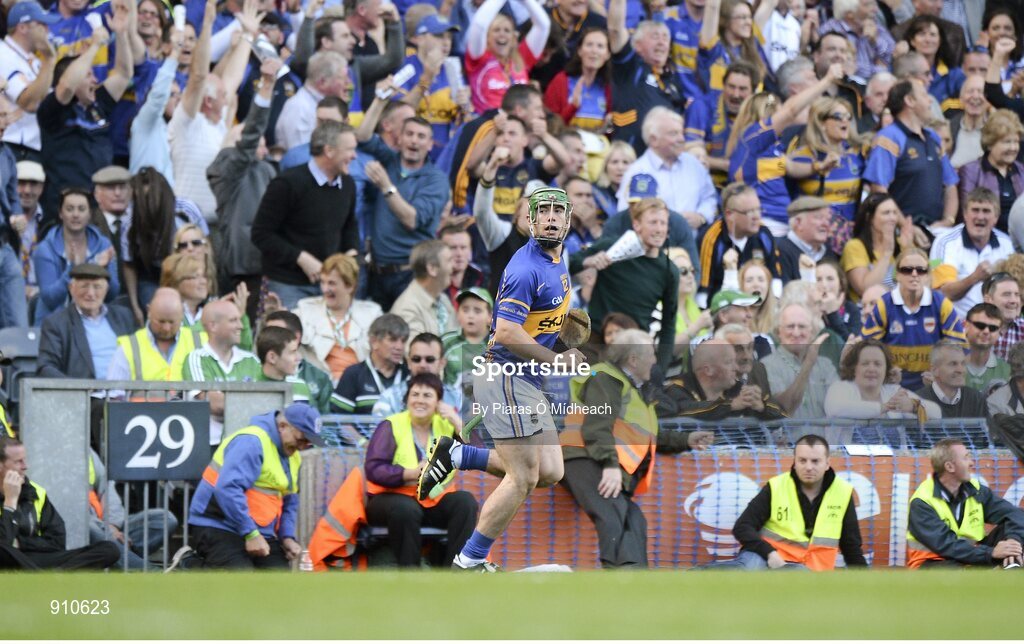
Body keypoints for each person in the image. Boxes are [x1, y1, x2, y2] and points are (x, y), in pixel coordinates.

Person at [417, 187, 581, 571]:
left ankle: (456, 454)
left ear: (569, 220)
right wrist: (556, 360)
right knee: (523, 476)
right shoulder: (527, 268)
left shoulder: (557, 261)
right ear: (530, 219)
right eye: (545, 212)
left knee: (551, 472)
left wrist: (561, 331)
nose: (552, 218)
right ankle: (468, 561)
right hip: (506, 376)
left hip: (526, 379)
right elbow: (506, 332)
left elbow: (537, 320)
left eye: (559, 211)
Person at [560, 330, 713, 568]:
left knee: (634, 520)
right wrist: (609, 465)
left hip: (596, 458)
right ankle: (616, 580)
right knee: (613, 517)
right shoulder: (605, 378)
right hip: (584, 457)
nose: (655, 360)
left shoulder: (630, 390)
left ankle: (635, 577)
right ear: (633, 359)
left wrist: (686, 439)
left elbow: (646, 434)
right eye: (651, 353)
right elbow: (596, 428)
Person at [186, 403, 324, 569]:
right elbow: (228, 489)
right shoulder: (251, 442)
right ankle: (188, 567)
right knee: (240, 581)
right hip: (218, 525)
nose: (302, 447)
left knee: (280, 586)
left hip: (257, 531)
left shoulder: (294, 456)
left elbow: (289, 500)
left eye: (308, 443)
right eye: (301, 440)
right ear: (282, 426)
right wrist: (250, 533)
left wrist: (286, 536)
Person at [364, 373, 476, 567]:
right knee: (405, 509)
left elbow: (479, 453)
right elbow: (373, 469)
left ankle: (458, 572)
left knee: (465, 502)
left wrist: (457, 422)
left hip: (432, 499)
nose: (420, 400)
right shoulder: (391, 424)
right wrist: (410, 473)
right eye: (415, 394)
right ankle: (411, 574)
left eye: (427, 395)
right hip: (390, 498)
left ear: (438, 402)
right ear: (407, 399)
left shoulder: (447, 426)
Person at [357, 86, 450, 309]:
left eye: (421, 137)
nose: (414, 141)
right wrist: (380, 100)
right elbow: (362, 136)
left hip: (410, 274)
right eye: (409, 134)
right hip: (377, 272)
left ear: (430, 145)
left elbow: (411, 219)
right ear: (399, 139)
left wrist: (386, 186)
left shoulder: (435, 180)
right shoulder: (389, 159)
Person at [37, 3, 132, 221]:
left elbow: (124, 75)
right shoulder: (52, 110)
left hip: (98, 211)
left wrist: (121, 33)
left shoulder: (98, 104)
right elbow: (67, 86)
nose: (96, 80)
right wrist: (94, 46)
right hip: (62, 211)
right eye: (89, 75)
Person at [251, 121, 360, 310]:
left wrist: (351, 254)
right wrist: (301, 258)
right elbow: (261, 234)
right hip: (288, 284)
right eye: (349, 150)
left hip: (331, 286)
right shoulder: (288, 183)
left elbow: (348, 226)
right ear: (329, 151)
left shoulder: (348, 184)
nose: (354, 156)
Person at [727, 62, 846, 234]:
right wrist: (827, 81)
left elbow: (789, 166)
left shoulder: (770, 146)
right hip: (764, 223)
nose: (782, 115)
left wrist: (818, 166)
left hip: (782, 222)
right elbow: (791, 111)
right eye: (778, 111)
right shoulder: (753, 138)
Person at [722, 434, 867, 570]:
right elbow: (742, 527)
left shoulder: (842, 493)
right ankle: (701, 574)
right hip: (767, 559)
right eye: (802, 460)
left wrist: (866, 585)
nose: (808, 467)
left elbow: (851, 547)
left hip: (809, 573)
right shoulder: (776, 486)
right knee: (746, 568)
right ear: (795, 462)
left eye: (815, 461)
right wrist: (769, 552)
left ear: (827, 463)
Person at [207, 57, 282, 316]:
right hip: (243, 269)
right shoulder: (227, 169)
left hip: (273, 266)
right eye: (253, 141)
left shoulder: (268, 169)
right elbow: (249, 138)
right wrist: (267, 87)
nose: (261, 145)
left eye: (264, 142)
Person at [169, 0, 256, 222]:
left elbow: (233, 77)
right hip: (186, 224)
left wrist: (248, 36)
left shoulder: (218, 124)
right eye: (222, 94)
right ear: (208, 100)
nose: (227, 96)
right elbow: (198, 76)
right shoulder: (186, 121)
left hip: (219, 225)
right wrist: (206, 26)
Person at [572, 197, 679, 368]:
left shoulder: (669, 271)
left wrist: (660, 368)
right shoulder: (611, 246)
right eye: (653, 222)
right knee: (592, 386)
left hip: (634, 347)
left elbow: (668, 326)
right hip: (596, 341)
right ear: (636, 225)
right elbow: (568, 263)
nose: (659, 229)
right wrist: (589, 261)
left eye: (663, 223)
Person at [0, 436, 120, 570]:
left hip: (38, 559)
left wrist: (21, 543)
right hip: (10, 562)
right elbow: (4, 545)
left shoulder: (35, 492)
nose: (25, 466)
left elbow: (57, 542)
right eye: (18, 462)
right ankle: (50, 577)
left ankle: (51, 577)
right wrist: (10, 502)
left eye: (25, 460)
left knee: (109, 549)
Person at [906, 438, 1024, 568]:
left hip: (973, 556)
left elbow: (1015, 514)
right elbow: (946, 545)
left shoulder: (976, 490)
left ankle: (1012, 568)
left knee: (1015, 528)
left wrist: (1013, 540)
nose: (971, 463)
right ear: (950, 467)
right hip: (934, 562)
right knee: (953, 573)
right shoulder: (922, 502)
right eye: (966, 458)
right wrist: (991, 553)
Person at [861, 247, 966, 389]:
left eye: (921, 270)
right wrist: (884, 371)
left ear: (928, 275)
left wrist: (941, 374)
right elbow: (868, 347)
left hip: (934, 383)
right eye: (907, 270)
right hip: (891, 384)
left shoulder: (941, 304)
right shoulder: (884, 304)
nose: (914, 274)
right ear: (897, 274)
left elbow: (958, 346)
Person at [864, 78, 959, 227]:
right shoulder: (888, 138)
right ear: (909, 100)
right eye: (924, 95)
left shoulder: (933, 137)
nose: (930, 101)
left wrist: (947, 221)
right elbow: (880, 190)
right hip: (900, 233)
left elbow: (950, 184)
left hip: (936, 231)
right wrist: (906, 227)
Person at [614, 108, 717, 227]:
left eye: (681, 133)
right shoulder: (637, 172)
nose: (682, 139)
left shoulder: (694, 165)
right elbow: (626, 216)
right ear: (654, 140)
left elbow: (709, 197)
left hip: (695, 242)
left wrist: (701, 216)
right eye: (673, 134)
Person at [607, 0, 688, 150]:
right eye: (655, 36)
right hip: (630, 157)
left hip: (663, 159)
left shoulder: (673, 81)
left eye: (665, 38)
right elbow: (615, 30)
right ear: (637, 44)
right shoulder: (630, 67)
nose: (661, 42)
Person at [181, 300, 262, 446]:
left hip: (247, 443)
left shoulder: (251, 360)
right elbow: (214, 404)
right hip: (209, 445)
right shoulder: (196, 358)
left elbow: (265, 405)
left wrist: (229, 400)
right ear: (213, 326)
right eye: (233, 320)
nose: (241, 326)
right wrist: (251, 403)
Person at [31, 187, 118, 323]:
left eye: (81, 209)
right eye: (70, 209)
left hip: (92, 321)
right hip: (52, 325)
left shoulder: (103, 244)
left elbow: (113, 294)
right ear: (61, 213)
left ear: (89, 214)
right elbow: (49, 299)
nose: (75, 214)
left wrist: (104, 270)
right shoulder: (45, 249)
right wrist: (72, 270)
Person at [293, 253, 382, 384]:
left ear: (350, 286)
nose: (325, 289)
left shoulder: (372, 314)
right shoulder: (304, 310)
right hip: (316, 387)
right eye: (322, 282)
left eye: (332, 283)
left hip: (360, 386)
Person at [37, 263, 136, 380]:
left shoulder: (124, 317)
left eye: (97, 287)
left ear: (106, 289)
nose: (90, 293)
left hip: (126, 394)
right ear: (71, 289)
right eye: (84, 286)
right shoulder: (56, 323)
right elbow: (46, 367)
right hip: (85, 395)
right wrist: (77, 390)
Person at [392, 14, 470, 158]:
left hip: (443, 153)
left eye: (449, 37)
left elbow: (462, 119)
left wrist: (465, 107)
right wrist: (426, 79)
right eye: (439, 35)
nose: (446, 42)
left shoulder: (452, 69)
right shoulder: (407, 68)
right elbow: (396, 111)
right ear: (420, 38)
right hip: (411, 151)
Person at [87, 449, 178, 570]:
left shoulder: (87, 451)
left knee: (166, 519)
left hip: (109, 526)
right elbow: (75, 515)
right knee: (89, 527)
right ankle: (150, 572)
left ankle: (124, 559)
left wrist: (112, 524)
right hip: (88, 532)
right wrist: (108, 530)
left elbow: (107, 489)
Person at [931, 187, 1014, 317]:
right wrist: (974, 278)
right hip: (954, 323)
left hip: (995, 325)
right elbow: (943, 294)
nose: (980, 216)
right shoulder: (945, 242)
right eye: (975, 210)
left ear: (996, 217)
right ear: (965, 214)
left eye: (986, 211)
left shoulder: (1007, 244)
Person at [658, 337, 786, 419]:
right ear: (708, 370)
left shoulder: (737, 389)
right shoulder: (676, 388)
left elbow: (784, 415)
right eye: (728, 362)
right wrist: (730, 405)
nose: (735, 368)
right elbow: (682, 411)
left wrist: (762, 406)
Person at [786, 97, 866, 226]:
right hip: (814, 232)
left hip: (848, 233)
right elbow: (788, 171)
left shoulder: (856, 155)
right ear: (821, 123)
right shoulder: (802, 156)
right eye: (838, 116)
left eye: (848, 116)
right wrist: (820, 167)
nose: (845, 120)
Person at [698, 182, 782, 301]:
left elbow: (776, 278)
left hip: (760, 306)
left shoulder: (764, 234)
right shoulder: (711, 238)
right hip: (721, 308)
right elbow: (703, 291)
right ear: (729, 214)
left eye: (758, 210)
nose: (757, 217)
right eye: (749, 212)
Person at [464, 0, 549, 114]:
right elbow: (479, 24)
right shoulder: (478, 57)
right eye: (496, 30)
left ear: (514, 38)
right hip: (487, 125)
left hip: (520, 127)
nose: (502, 34)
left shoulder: (521, 58)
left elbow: (543, 25)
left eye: (507, 30)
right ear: (487, 37)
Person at [105, 287, 205, 383]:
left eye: (172, 322)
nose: (166, 328)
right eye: (161, 322)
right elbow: (114, 394)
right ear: (149, 311)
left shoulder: (202, 342)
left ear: (182, 313)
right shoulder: (128, 347)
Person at [824, 338, 940, 419]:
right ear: (854, 367)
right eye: (865, 363)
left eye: (877, 364)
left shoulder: (893, 391)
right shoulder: (840, 387)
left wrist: (913, 406)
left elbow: (936, 413)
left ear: (886, 369)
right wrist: (884, 407)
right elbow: (835, 408)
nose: (871, 369)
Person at [0, 1, 58, 162]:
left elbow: (48, 105)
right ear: (22, 27)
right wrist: (49, 60)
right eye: (41, 25)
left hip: (32, 147)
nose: (47, 30)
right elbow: (29, 103)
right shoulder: (3, 53)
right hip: (10, 146)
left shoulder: (35, 61)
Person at [685, 61, 758, 187]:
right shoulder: (701, 107)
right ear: (723, 86)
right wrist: (727, 165)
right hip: (705, 184)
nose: (736, 94)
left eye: (742, 89)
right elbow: (689, 155)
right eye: (731, 87)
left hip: (746, 187)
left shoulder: (760, 112)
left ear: (753, 92)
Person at [762, 303, 839, 418]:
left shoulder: (825, 365)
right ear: (779, 332)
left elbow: (839, 407)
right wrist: (808, 364)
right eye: (790, 326)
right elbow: (784, 407)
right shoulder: (767, 365)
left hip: (824, 436)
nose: (796, 333)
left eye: (802, 326)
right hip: (788, 435)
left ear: (812, 332)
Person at [956, 109, 1024, 232]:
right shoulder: (970, 171)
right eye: (1007, 142)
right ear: (990, 143)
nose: (1013, 148)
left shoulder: (1021, 171)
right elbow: (966, 214)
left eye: (1016, 142)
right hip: (986, 240)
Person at [840, 192, 913, 301]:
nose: (892, 218)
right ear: (869, 217)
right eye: (886, 213)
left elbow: (918, 282)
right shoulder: (855, 247)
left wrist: (909, 249)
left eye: (894, 213)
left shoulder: (902, 242)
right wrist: (887, 254)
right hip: (867, 311)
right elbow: (864, 288)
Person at [331, 313, 409, 414]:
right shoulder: (353, 375)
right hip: (363, 430)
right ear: (374, 341)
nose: (399, 347)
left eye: (403, 341)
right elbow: (340, 420)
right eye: (392, 340)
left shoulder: (408, 375)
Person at [275, 51, 351, 153]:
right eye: (343, 78)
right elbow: (300, 157)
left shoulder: (329, 105)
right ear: (323, 82)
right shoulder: (299, 108)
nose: (348, 82)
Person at [372, 333, 461, 417]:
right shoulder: (389, 398)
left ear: (442, 363)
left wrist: (454, 418)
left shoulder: (458, 398)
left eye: (430, 359)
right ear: (409, 362)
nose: (422, 365)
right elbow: (377, 432)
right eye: (416, 359)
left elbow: (472, 432)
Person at [543, 27, 613, 133]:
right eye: (589, 45)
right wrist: (573, 107)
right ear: (580, 51)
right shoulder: (561, 81)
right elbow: (551, 128)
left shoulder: (608, 86)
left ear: (607, 54)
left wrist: (609, 124)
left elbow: (609, 130)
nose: (594, 51)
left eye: (600, 46)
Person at [698, 0, 772, 99]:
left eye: (750, 17)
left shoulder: (754, 47)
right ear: (725, 21)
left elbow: (770, 3)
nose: (749, 22)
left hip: (750, 111)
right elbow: (712, 7)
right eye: (742, 17)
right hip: (718, 111)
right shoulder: (713, 48)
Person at [389, 239, 457, 340]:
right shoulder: (407, 309)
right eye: (449, 261)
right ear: (432, 269)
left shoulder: (442, 299)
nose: (454, 266)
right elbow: (417, 354)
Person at [900, 14, 966, 112]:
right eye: (922, 34)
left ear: (940, 41)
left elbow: (966, 101)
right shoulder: (900, 70)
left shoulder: (954, 74)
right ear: (912, 41)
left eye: (932, 35)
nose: (927, 40)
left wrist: (946, 106)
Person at [818, 0, 896, 80]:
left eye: (874, 4)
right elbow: (849, 67)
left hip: (874, 82)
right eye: (867, 5)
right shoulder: (831, 30)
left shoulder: (876, 27)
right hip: (846, 84)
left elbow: (893, 53)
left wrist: (875, 40)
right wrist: (879, 68)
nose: (876, 9)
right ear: (849, 14)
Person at [915, 340, 988, 419]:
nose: (961, 370)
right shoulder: (918, 402)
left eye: (963, 364)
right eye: (953, 364)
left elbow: (991, 430)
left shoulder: (976, 399)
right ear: (934, 370)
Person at [776, 196, 840, 283]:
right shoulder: (780, 250)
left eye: (827, 219)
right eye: (818, 217)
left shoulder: (828, 252)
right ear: (798, 223)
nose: (825, 224)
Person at [442, 287, 492, 387]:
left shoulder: (499, 345)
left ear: (490, 316)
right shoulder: (445, 341)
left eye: (477, 311)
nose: (470, 316)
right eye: (465, 310)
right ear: (458, 314)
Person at [963, 302, 1010, 393]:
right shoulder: (946, 365)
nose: (986, 331)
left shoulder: (1008, 372)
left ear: (999, 332)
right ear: (966, 326)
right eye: (980, 325)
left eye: (993, 328)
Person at [439, 224, 485, 306]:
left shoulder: (482, 278)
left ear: (471, 250)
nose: (459, 254)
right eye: (453, 248)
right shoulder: (431, 281)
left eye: (463, 247)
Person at [983, 272, 1022, 360]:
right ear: (988, 300)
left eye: (1017, 295)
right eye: (1007, 294)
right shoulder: (967, 329)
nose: (1013, 300)